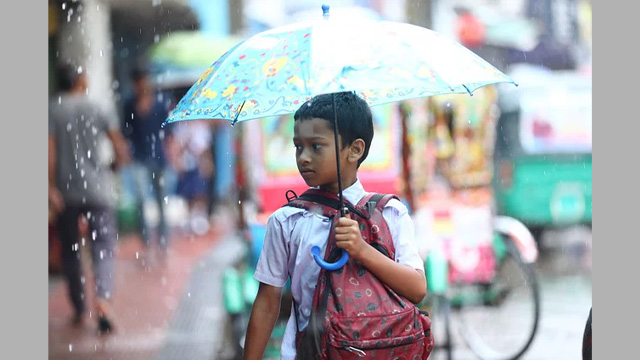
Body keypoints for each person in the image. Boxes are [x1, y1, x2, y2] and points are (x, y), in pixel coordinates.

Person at [242, 92, 427, 360]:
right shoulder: (287, 222)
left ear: (355, 149)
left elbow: (417, 289)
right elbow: (267, 302)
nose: (303, 157)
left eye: (316, 146)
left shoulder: (391, 214)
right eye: (298, 146)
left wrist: (362, 250)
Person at [49, 62, 130, 334]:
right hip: (98, 189)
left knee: (72, 250)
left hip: (66, 192)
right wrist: (114, 167)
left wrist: (51, 187)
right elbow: (119, 146)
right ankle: (103, 302)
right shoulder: (97, 107)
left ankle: (79, 306)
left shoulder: (53, 110)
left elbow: (49, 152)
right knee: (103, 247)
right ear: (78, 80)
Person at [122, 63, 174, 261]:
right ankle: (146, 242)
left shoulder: (161, 102)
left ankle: (163, 242)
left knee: (161, 201)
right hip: (139, 159)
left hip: (159, 159)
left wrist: (171, 153)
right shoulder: (129, 104)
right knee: (142, 201)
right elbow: (126, 131)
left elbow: (169, 131)